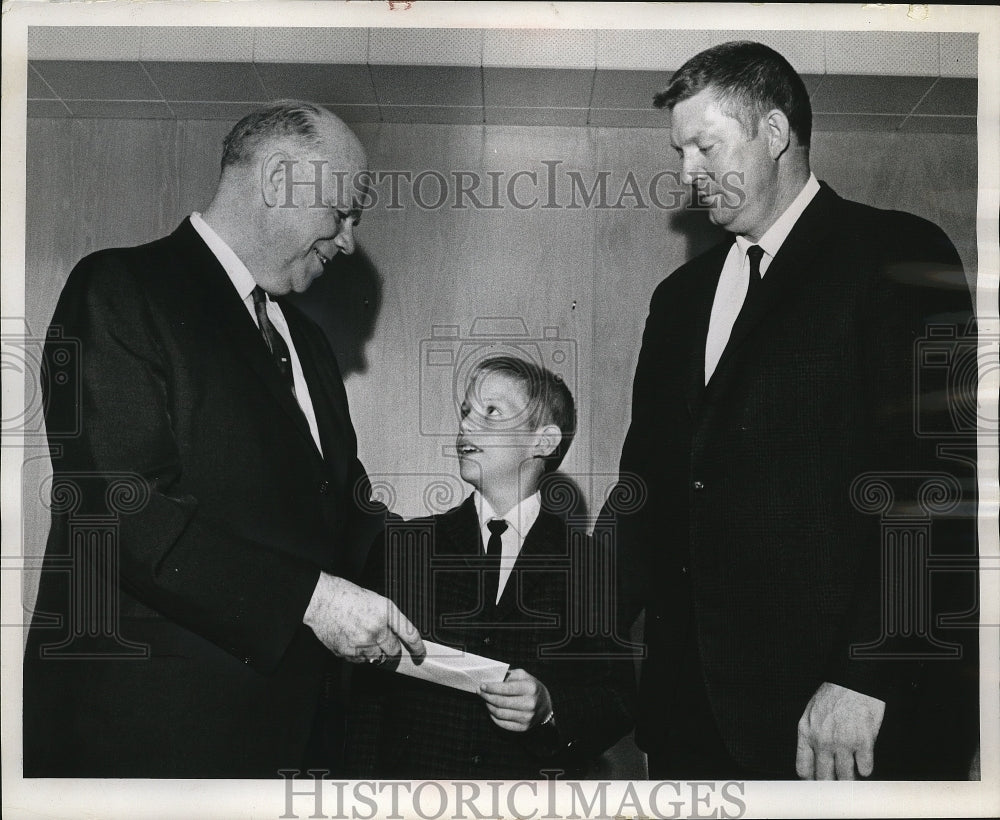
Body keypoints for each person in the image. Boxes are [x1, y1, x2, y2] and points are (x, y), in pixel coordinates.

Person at [605, 41, 978, 780]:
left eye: (705, 147)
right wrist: (569, 638)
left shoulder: (896, 254)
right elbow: (643, 492)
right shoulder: (677, 301)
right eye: (680, 153)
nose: (687, 176)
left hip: (839, 716)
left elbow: (934, 479)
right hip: (691, 720)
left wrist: (868, 671)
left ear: (774, 134)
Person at [23, 101, 424, 778]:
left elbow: (345, 519)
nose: (350, 241)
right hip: (147, 748)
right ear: (277, 181)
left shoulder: (311, 346)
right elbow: (121, 507)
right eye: (345, 211)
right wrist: (314, 600)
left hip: (289, 743)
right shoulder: (121, 288)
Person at [347, 355, 635, 779]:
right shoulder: (402, 548)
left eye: (491, 412)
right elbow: (365, 704)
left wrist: (550, 709)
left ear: (544, 441)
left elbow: (617, 699)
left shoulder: (590, 563)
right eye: (465, 411)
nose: (466, 424)